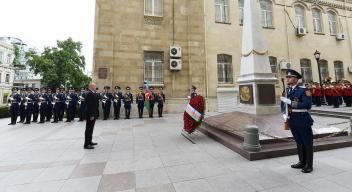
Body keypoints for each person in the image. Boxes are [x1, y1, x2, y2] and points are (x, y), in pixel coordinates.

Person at [280, 69, 314, 173]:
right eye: (287, 77)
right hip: (292, 120)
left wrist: (291, 102)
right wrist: (284, 114)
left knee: (307, 143)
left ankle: (309, 164)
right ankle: (301, 162)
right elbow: (283, 104)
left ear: (295, 79)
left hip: (302, 119)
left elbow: (307, 105)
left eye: (290, 77)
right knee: (299, 142)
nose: (288, 79)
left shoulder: (304, 90)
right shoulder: (287, 90)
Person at [84, 83, 99, 149]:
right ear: (91, 87)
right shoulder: (89, 94)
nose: (96, 87)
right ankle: (86, 144)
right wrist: (91, 115)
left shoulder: (92, 93)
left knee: (91, 128)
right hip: (90, 114)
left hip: (93, 113)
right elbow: (89, 106)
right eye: (95, 86)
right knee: (88, 129)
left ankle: (89, 141)